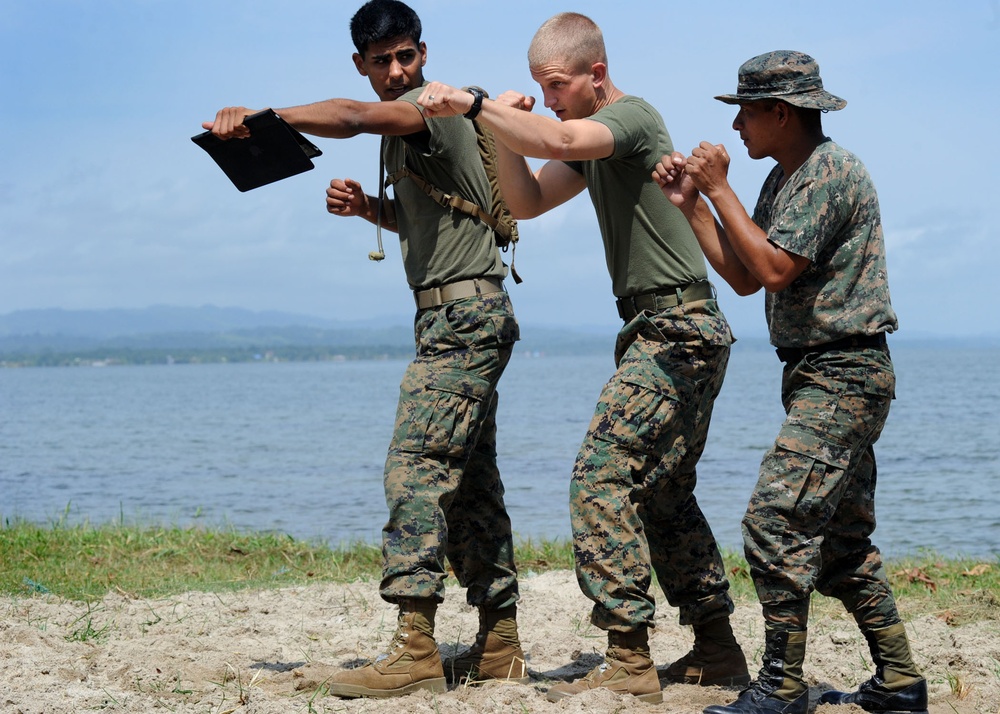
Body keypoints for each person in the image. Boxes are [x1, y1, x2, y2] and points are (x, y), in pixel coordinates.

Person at [419, 12, 748, 704]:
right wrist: (494, 129)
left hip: (680, 329)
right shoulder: (590, 144)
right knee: (663, 494)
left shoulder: (629, 119)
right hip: (658, 328)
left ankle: (628, 657)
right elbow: (527, 200)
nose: (552, 96)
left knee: (601, 476)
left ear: (594, 74)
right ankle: (716, 649)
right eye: (542, 85)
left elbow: (565, 134)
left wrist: (476, 105)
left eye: (559, 83)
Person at [203, 0, 529, 698]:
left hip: (465, 320)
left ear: (424, 53)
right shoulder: (410, 124)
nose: (396, 69)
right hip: (458, 316)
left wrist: (267, 119)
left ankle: (414, 648)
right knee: (470, 484)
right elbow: (445, 215)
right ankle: (500, 644)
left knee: (413, 470)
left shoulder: (432, 106)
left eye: (406, 55)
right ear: (362, 62)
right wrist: (371, 212)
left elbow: (351, 117)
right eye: (381, 61)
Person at [653, 51, 927, 714]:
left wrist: (718, 189)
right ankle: (899, 682)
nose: (738, 125)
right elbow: (747, 277)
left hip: (845, 372)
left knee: (775, 523)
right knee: (841, 545)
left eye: (746, 111)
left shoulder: (831, 172)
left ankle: (780, 685)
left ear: (780, 112)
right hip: (820, 374)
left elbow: (773, 271)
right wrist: (693, 206)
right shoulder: (785, 178)